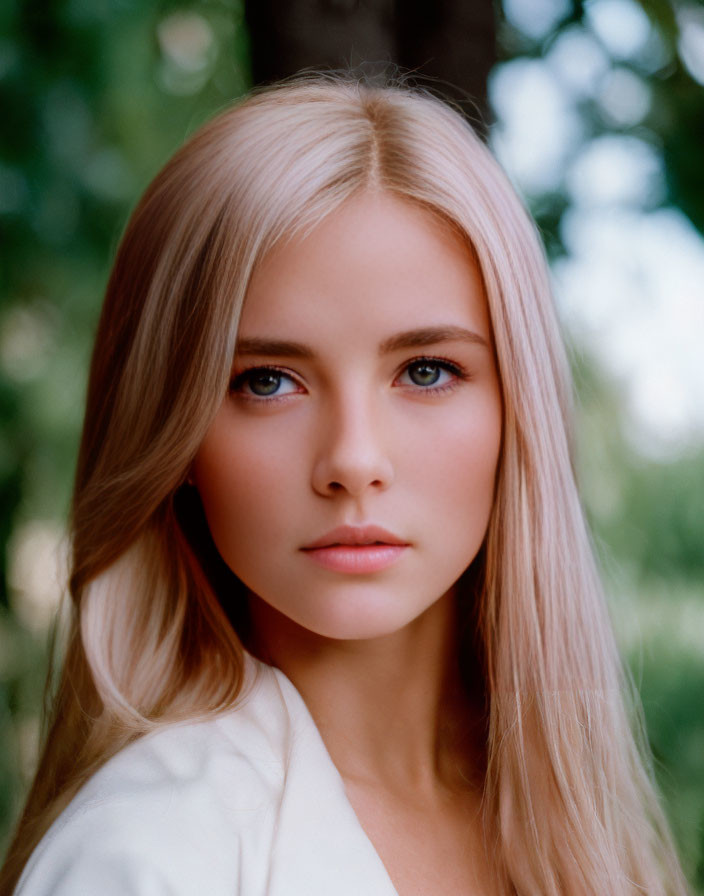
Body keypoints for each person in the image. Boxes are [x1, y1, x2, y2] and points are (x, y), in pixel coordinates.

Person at [0, 75, 688, 896]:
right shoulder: (146, 859)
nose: (353, 460)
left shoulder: (574, 827)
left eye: (426, 371)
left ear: (520, 410)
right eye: (267, 382)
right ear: (173, 435)